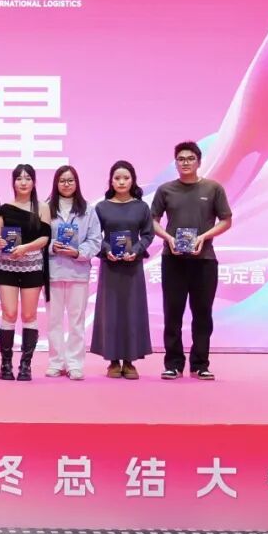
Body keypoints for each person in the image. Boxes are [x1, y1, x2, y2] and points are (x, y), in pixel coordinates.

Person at [151, 140, 233, 381]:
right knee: (172, 313)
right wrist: (168, 238)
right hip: (173, 259)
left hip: (204, 260)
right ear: (175, 163)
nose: (185, 163)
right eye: (181, 159)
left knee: (203, 313)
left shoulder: (213, 188)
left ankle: (200, 364)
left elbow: (226, 220)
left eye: (190, 158)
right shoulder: (165, 190)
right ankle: (173, 364)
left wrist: (204, 237)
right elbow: (153, 220)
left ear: (199, 161)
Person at [90, 160, 155, 379]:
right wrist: (106, 250)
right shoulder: (102, 207)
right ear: (111, 181)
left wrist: (136, 250)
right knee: (111, 312)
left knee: (132, 311)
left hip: (133, 267)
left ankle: (129, 361)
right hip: (110, 267)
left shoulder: (142, 207)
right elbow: (94, 236)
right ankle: (113, 361)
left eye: (126, 178)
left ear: (133, 180)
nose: (121, 182)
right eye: (117, 178)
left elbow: (148, 235)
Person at [0, 164, 51, 381]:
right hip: (7, 266)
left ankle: (26, 365)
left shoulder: (42, 207)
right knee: (9, 313)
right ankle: (6, 364)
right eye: (19, 178)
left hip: (32, 266)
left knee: (28, 315)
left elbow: (45, 238)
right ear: (13, 182)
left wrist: (25, 248)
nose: (23, 182)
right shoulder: (3, 209)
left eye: (28, 178)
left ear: (34, 182)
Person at [45, 165, 102, 380]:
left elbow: (95, 240)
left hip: (78, 272)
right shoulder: (45, 208)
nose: (66, 184)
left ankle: (75, 364)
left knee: (76, 321)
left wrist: (78, 252)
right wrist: (52, 247)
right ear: (56, 183)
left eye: (70, 180)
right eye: (62, 180)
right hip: (53, 272)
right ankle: (56, 362)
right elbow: (38, 238)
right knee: (54, 320)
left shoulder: (88, 210)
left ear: (77, 183)